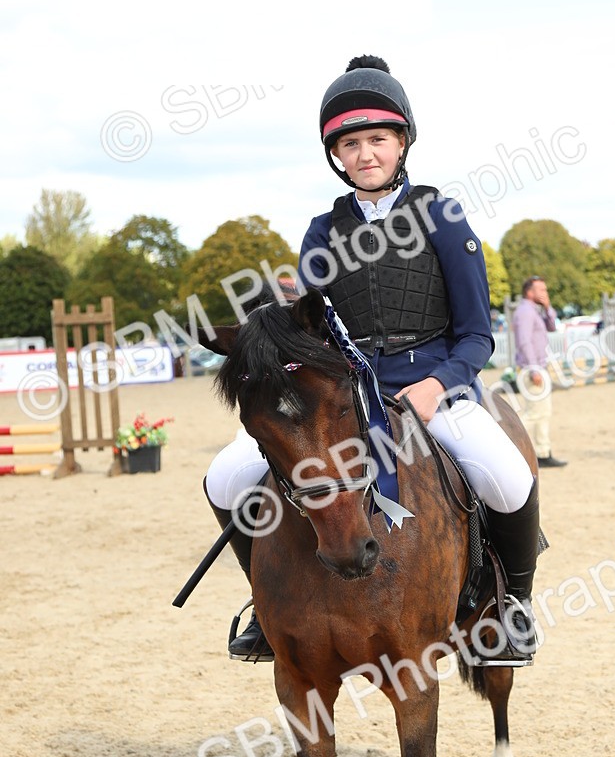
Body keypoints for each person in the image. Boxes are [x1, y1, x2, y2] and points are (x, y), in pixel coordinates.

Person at [205, 55, 543, 664]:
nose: (365, 154)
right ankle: (266, 603)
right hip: (346, 395)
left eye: (378, 140)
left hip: (433, 386)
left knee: (509, 477)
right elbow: (311, 328)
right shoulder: (321, 230)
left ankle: (509, 608)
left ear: (402, 143)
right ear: (335, 153)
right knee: (225, 478)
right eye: (351, 143)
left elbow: (476, 335)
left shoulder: (443, 216)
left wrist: (438, 385)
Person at [512, 276, 567, 468]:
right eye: (541, 290)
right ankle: (512, 448)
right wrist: (533, 369)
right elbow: (524, 342)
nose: (545, 293)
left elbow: (552, 326)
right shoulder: (525, 312)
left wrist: (548, 307)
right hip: (531, 369)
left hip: (539, 368)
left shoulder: (535, 311)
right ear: (529, 292)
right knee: (533, 413)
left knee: (543, 412)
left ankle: (543, 452)